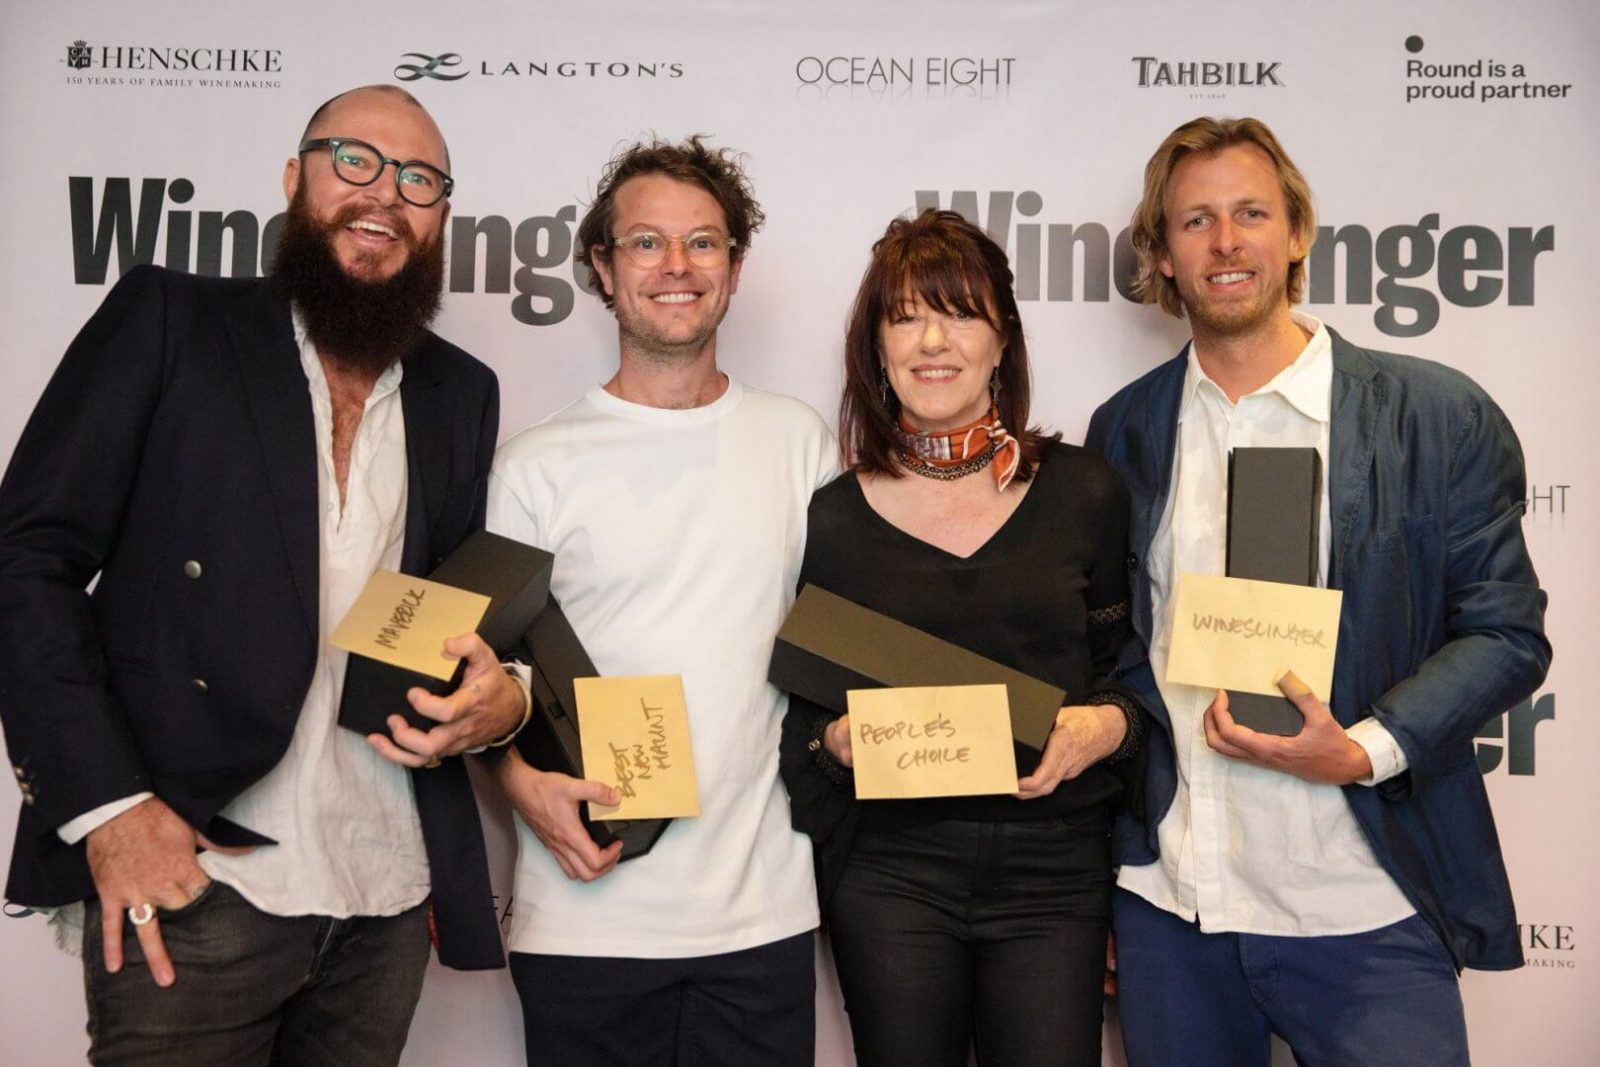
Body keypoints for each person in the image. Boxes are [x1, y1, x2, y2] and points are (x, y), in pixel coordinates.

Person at [0, 85, 529, 1066]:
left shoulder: (464, 390)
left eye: (419, 179)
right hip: (197, 874)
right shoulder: (170, 320)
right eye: (354, 161)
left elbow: (453, 607)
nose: (385, 194)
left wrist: (499, 695)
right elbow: (26, 558)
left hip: (383, 888)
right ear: (295, 181)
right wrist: (110, 809)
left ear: (443, 218)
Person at [1085, 116, 1551, 1066]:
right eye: (1195, 221)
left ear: (1297, 231)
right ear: (1162, 256)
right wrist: (1101, 883)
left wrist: (1366, 749)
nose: (1225, 242)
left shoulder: (1434, 414)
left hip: (1364, 905)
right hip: (1177, 907)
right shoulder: (1124, 430)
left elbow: (1506, 632)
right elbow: (1107, 661)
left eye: (1251, 213)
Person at [487, 136, 837, 1066]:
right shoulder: (533, 466)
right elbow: (485, 676)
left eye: (703, 244)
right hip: (584, 919)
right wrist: (519, 784)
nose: (676, 268)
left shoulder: (797, 441)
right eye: (646, 243)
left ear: (733, 268)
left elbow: (841, 656)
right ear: (602, 266)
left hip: (759, 918)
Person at [778, 208, 1145, 1067]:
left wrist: (1104, 727)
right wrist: (836, 741)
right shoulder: (832, 516)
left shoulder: (1084, 490)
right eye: (905, 315)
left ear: (1003, 339)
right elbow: (802, 723)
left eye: (961, 312)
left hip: (1055, 872)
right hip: (890, 875)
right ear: (877, 345)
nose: (932, 340)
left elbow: (1128, 676)